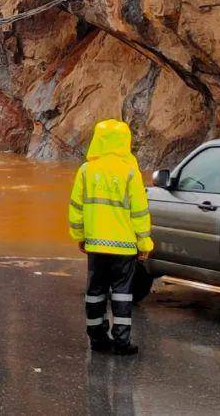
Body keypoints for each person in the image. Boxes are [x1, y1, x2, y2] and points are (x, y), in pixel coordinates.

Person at [68, 119, 153, 355]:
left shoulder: (86, 170)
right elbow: (140, 212)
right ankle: (122, 342)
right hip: (124, 247)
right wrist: (144, 243)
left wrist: (80, 235)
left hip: (95, 244)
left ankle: (97, 339)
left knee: (95, 292)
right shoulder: (130, 172)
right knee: (122, 293)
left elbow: (76, 208)